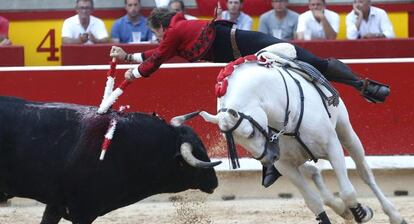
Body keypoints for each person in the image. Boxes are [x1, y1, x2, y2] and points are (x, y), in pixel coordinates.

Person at [109, 8, 390, 187]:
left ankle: (362, 85)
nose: (158, 38)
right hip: (243, 60)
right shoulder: (178, 32)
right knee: (249, 111)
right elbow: (157, 54)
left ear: (161, 27)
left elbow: (156, 58)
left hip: (250, 46)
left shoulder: (175, 31)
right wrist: (127, 57)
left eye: (157, 33)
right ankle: (270, 162)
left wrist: (131, 75)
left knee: (309, 61)